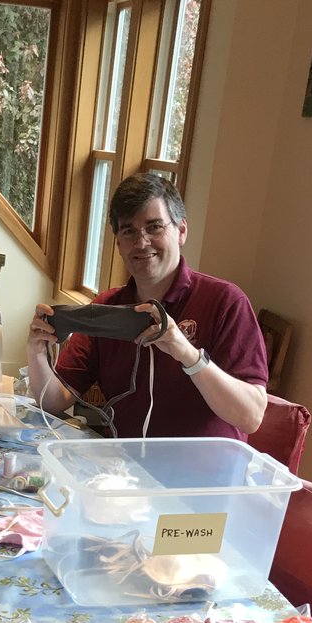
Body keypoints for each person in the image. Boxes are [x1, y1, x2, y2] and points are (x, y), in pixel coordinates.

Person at [26, 173, 268, 439]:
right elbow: (53, 401)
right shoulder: (107, 308)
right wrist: (37, 351)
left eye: (154, 227)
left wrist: (187, 354)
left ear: (182, 231)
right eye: (129, 231)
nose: (141, 242)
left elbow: (251, 417)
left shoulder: (225, 302)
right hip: (122, 468)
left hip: (205, 475)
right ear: (118, 243)